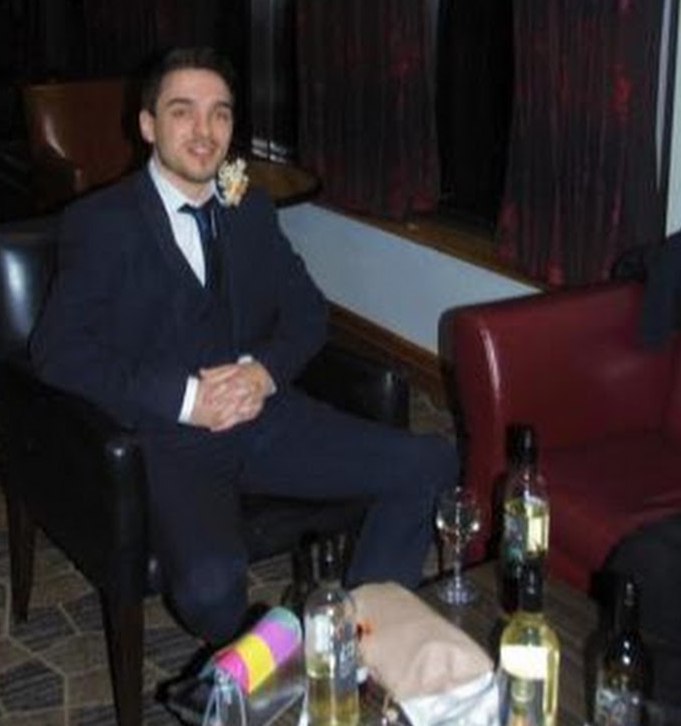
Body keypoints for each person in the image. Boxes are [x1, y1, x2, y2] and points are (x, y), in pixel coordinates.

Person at [30, 46, 457, 644]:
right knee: (210, 591)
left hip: (267, 417)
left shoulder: (248, 207)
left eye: (221, 114)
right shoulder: (101, 222)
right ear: (148, 125)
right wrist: (186, 399)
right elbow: (58, 350)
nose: (204, 131)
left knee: (431, 462)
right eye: (183, 111)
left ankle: (353, 641)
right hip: (174, 438)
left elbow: (308, 313)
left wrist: (263, 373)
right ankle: (272, 658)